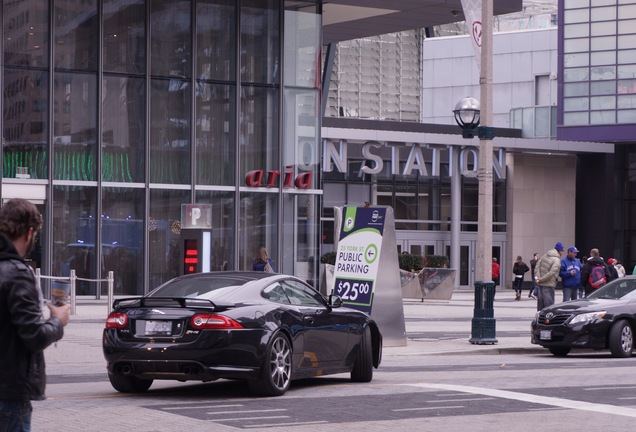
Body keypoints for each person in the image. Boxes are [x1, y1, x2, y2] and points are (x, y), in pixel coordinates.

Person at [0, 198, 70, 431]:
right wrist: (57, 320)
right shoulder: (18, 274)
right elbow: (34, 336)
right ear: (30, 233)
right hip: (8, 392)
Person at [534, 242, 564, 311]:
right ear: (559, 251)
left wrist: (537, 277)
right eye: (562, 251)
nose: (562, 253)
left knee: (540, 307)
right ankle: (547, 321)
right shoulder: (557, 260)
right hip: (549, 284)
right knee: (549, 307)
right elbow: (552, 273)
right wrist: (541, 279)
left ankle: (539, 320)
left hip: (540, 285)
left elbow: (537, 266)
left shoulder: (544, 256)